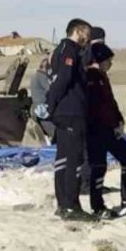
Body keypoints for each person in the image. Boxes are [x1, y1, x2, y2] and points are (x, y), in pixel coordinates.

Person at [84, 36, 126, 218]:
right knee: (98, 167)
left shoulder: (103, 76)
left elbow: (110, 102)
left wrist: (119, 120)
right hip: (95, 130)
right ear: (100, 60)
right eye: (109, 60)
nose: (111, 64)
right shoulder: (90, 76)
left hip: (110, 129)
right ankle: (97, 206)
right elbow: (93, 106)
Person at [46, 18, 94, 221]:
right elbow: (63, 80)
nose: (88, 39)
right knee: (74, 160)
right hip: (71, 112)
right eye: (87, 34)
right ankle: (71, 206)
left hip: (64, 112)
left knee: (63, 159)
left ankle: (63, 204)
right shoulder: (70, 50)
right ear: (78, 31)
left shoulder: (60, 50)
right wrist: (51, 105)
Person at [28, 58, 54, 143]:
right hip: (43, 108)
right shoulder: (41, 76)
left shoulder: (35, 76)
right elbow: (50, 89)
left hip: (37, 107)